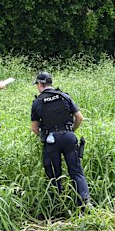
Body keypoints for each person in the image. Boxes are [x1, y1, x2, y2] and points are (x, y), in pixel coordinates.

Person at [31, 72, 90, 206]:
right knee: (76, 172)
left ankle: (57, 204)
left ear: (40, 84)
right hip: (69, 137)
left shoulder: (37, 102)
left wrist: (44, 137)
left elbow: (34, 128)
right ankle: (84, 202)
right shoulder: (64, 96)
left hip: (51, 140)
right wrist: (71, 131)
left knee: (53, 174)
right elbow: (79, 117)